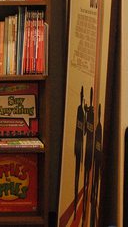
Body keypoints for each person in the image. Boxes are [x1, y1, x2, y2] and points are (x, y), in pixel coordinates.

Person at [82, 88, 95, 222]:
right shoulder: (90, 114)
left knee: (88, 175)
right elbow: (86, 131)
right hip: (88, 150)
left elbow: (85, 131)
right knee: (88, 175)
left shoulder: (90, 114)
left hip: (89, 150)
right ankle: (87, 202)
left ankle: (88, 201)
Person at [74, 86, 85, 217]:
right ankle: (77, 207)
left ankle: (77, 208)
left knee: (78, 173)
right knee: (78, 173)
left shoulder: (80, 110)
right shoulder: (80, 110)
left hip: (80, 146)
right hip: (80, 146)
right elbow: (83, 131)